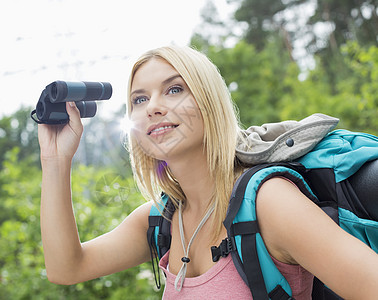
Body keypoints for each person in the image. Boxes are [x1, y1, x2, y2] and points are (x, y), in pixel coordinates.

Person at [37, 45, 378, 299]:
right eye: (140, 99)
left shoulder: (269, 204)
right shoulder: (162, 219)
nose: (153, 106)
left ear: (209, 102)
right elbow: (66, 267)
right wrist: (55, 160)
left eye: (174, 89)